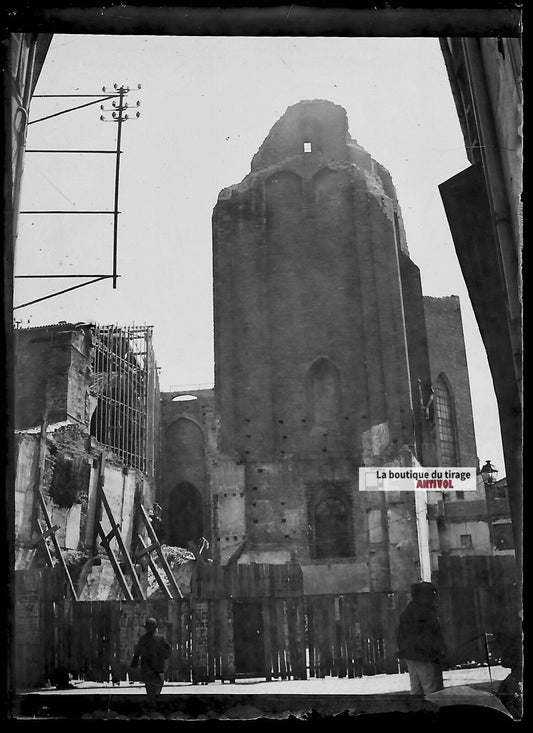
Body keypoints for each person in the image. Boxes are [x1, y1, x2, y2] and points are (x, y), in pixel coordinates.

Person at [397, 581, 447, 697]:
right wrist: (438, 649)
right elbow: (432, 634)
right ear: (424, 595)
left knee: (416, 689)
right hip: (424, 655)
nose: (433, 598)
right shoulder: (425, 611)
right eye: (432, 595)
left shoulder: (409, 610)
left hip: (410, 653)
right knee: (431, 688)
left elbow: (401, 634)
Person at [130, 617, 171, 707]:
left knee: (149, 687)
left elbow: (137, 653)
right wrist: (163, 657)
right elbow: (168, 650)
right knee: (158, 684)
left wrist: (134, 664)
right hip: (158, 667)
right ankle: (154, 701)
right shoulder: (161, 639)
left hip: (147, 668)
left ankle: (151, 705)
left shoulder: (143, 639)